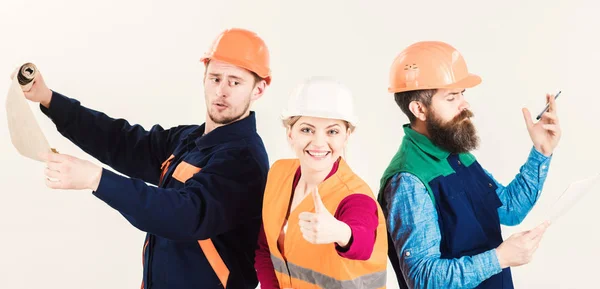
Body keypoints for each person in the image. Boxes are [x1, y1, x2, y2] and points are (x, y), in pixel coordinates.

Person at [17, 28, 272, 289]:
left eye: (235, 82)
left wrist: (97, 179)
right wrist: (49, 99)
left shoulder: (244, 159)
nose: (221, 91)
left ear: (259, 89)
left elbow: (185, 215)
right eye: (215, 78)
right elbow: (122, 142)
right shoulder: (189, 140)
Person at [378, 41, 560, 289]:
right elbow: (423, 279)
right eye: (452, 97)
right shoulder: (408, 181)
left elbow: (509, 209)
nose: (465, 104)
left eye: (462, 94)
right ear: (419, 108)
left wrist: (541, 151)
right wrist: (500, 258)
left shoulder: (459, 155)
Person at [254, 76, 388, 289]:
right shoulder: (279, 173)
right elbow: (264, 249)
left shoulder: (355, 196)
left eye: (332, 131)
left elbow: (362, 240)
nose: (318, 142)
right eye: (307, 129)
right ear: (290, 134)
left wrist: (341, 233)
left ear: (346, 136)